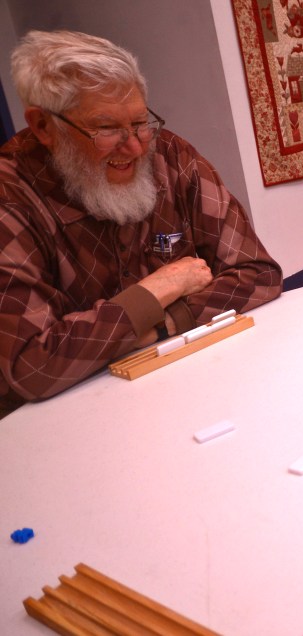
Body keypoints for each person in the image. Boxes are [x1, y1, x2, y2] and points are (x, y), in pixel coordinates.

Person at [0, 30, 283, 416]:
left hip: (195, 386)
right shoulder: (10, 197)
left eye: (139, 122)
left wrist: (161, 322)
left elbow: (258, 273)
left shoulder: (170, 155)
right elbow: (34, 365)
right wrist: (156, 289)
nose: (134, 146)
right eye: (105, 129)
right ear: (44, 127)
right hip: (74, 421)